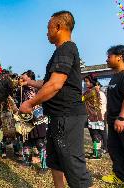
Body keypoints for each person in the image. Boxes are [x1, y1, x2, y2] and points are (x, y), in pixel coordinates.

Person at [19, 11, 92, 188]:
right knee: (56, 161)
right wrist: (30, 82)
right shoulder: (60, 51)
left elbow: (55, 85)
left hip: (67, 116)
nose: (46, 32)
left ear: (58, 27)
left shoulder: (67, 48)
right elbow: (48, 82)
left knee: (74, 165)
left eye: (48, 27)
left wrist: (30, 103)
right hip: (57, 116)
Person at [102, 45, 124, 187]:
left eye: (109, 56)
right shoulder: (114, 77)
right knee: (114, 148)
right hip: (113, 120)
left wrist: (122, 117)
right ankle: (120, 176)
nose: (107, 59)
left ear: (119, 57)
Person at [17, 70, 48, 171]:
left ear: (30, 78)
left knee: (40, 142)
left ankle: (44, 165)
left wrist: (27, 83)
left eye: (24, 77)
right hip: (26, 119)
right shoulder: (20, 89)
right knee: (26, 142)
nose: (21, 78)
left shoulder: (36, 87)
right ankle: (27, 161)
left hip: (38, 118)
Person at [83, 75, 107, 160]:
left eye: (87, 81)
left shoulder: (96, 92)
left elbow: (101, 104)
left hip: (96, 117)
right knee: (94, 135)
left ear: (92, 82)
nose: (86, 83)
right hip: (91, 116)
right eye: (85, 81)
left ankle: (98, 154)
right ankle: (96, 152)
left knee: (96, 135)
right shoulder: (88, 92)